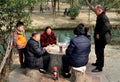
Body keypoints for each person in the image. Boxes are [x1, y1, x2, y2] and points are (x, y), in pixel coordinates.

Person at [92, 5, 111, 72]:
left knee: (100, 52)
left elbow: (107, 27)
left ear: (100, 10)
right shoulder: (100, 16)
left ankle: (99, 67)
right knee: (97, 51)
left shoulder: (104, 17)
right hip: (98, 38)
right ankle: (98, 62)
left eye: (95, 11)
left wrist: (100, 34)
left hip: (101, 38)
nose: (95, 12)